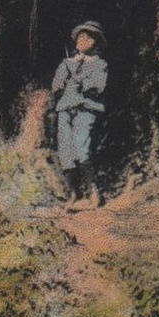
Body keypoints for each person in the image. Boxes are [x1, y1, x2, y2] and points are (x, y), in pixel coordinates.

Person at [50, 22, 107, 208]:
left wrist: (80, 79)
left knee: (81, 147)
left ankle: (93, 190)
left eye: (88, 37)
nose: (82, 40)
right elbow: (56, 85)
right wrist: (61, 82)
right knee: (66, 151)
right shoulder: (66, 63)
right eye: (80, 37)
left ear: (96, 42)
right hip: (65, 108)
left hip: (85, 108)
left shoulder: (100, 64)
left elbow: (98, 86)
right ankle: (74, 193)